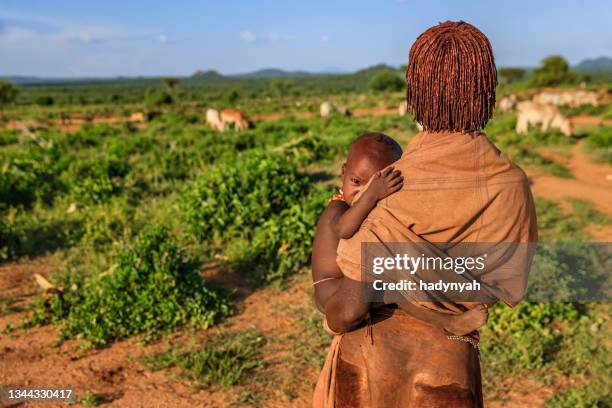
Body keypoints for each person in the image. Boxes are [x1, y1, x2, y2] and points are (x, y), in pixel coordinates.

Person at [313, 21, 538, 407]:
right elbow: (507, 283)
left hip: (368, 362)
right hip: (450, 363)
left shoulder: (389, 181)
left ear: (415, 92)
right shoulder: (512, 185)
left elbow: (347, 308)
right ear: (487, 92)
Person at [312, 132, 489, 337]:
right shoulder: (337, 207)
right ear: (343, 173)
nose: (361, 192)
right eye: (356, 182)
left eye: (373, 186)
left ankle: (449, 318)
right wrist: (373, 193)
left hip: (358, 279)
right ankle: (447, 322)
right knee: (396, 288)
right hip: (332, 289)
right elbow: (344, 229)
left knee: (402, 285)